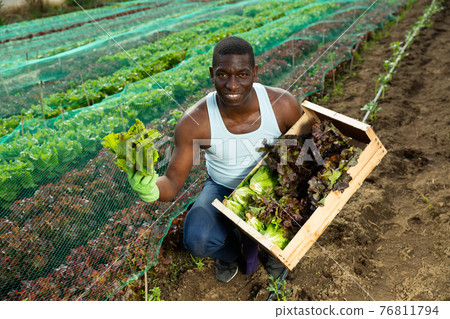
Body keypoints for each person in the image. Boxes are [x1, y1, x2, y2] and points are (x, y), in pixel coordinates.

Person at [128, 36, 302, 283]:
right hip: (223, 188)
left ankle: (273, 253)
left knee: (304, 205)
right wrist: (150, 187)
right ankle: (229, 253)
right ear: (212, 74)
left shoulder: (282, 105)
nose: (232, 85)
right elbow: (172, 182)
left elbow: (304, 156)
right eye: (223, 75)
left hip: (273, 186)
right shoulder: (194, 122)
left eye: (242, 75)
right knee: (197, 238)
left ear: (254, 72)